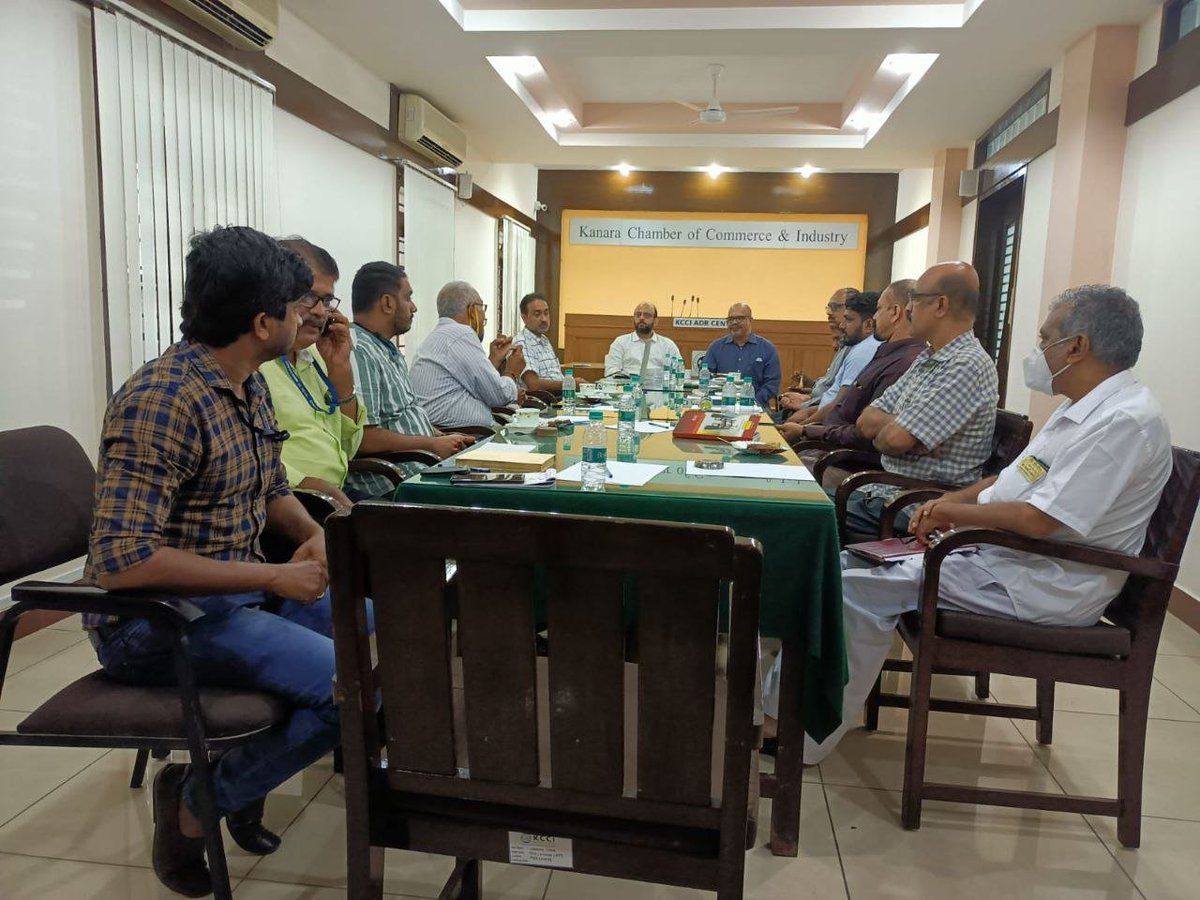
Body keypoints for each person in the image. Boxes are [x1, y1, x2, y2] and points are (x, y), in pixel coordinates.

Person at [764, 284, 1171, 764]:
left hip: (1041, 580)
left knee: (853, 586)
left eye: (1045, 339)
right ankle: (777, 707)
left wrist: (953, 514)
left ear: (1077, 347)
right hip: (1000, 554)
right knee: (848, 564)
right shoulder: (1081, 409)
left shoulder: (1123, 422)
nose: (1038, 351)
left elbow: (1039, 519)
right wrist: (952, 504)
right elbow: (1013, 478)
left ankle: (794, 731)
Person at [82, 226, 373, 896]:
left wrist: (311, 534)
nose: (308, 318)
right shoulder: (163, 400)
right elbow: (123, 563)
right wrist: (275, 575)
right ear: (262, 321)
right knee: (350, 689)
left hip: (231, 597)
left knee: (372, 631)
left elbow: (270, 486)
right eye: (297, 307)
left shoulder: (249, 382)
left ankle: (235, 783)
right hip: (153, 623)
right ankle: (197, 804)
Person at [843, 262, 998, 536]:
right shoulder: (928, 358)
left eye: (915, 299)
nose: (909, 309)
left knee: (803, 518)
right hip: (885, 489)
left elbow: (894, 440)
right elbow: (866, 420)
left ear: (940, 305)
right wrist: (900, 432)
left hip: (915, 504)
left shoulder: (966, 364)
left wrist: (896, 435)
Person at [346, 262, 475, 497]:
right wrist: (430, 445)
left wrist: (442, 437)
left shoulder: (385, 348)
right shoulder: (358, 350)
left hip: (425, 465)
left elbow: (404, 417)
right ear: (387, 303)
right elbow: (364, 438)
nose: (413, 307)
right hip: (395, 482)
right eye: (408, 298)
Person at [259, 238, 366, 508]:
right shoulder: (255, 364)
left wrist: (340, 369)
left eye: (327, 300)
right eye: (308, 297)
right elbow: (249, 458)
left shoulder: (316, 354)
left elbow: (349, 448)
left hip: (336, 496)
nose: (320, 311)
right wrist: (308, 483)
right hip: (293, 502)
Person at [780, 280, 923, 450]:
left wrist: (805, 430)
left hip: (836, 451)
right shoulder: (886, 353)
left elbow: (864, 430)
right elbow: (848, 410)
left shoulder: (902, 361)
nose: (875, 317)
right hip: (826, 437)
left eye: (878, 309)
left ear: (895, 312)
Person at [410, 281, 527, 429]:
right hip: (467, 437)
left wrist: (493, 361)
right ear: (472, 309)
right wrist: (512, 372)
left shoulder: (440, 336)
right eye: (482, 308)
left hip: (451, 431)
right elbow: (499, 396)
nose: (483, 314)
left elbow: (478, 387)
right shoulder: (461, 333)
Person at [785, 291, 881, 426]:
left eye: (848, 320)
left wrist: (802, 427)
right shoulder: (857, 347)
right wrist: (808, 411)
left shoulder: (864, 350)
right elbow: (832, 397)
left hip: (827, 429)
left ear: (869, 325)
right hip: (821, 416)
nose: (842, 325)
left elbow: (839, 405)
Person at [778, 287, 857, 412]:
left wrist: (805, 403)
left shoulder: (856, 347)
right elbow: (830, 387)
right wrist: (808, 394)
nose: (829, 313)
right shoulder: (844, 343)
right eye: (828, 307)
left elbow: (839, 399)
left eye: (835, 307)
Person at [702, 302, 781, 406]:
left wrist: (753, 402)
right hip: (721, 404)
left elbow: (772, 384)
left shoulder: (767, 349)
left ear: (750, 320)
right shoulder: (716, 347)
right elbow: (705, 376)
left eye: (739, 318)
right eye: (730, 319)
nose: (734, 322)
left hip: (756, 406)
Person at [603, 302, 681, 388]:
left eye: (647, 315)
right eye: (638, 315)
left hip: (659, 393)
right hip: (626, 391)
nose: (641, 318)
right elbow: (611, 371)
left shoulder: (668, 345)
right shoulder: (620, 342)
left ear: (655, 321)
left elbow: (678, 371)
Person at [512, 291, 565, 395]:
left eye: (546, 313)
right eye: (537, 314)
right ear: (524, 318)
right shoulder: (522, 343)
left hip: (560, 397)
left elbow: (554, 375)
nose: (544, 319)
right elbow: (534, 384)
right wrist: (569, 384)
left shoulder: (544, 339)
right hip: (540, 403)